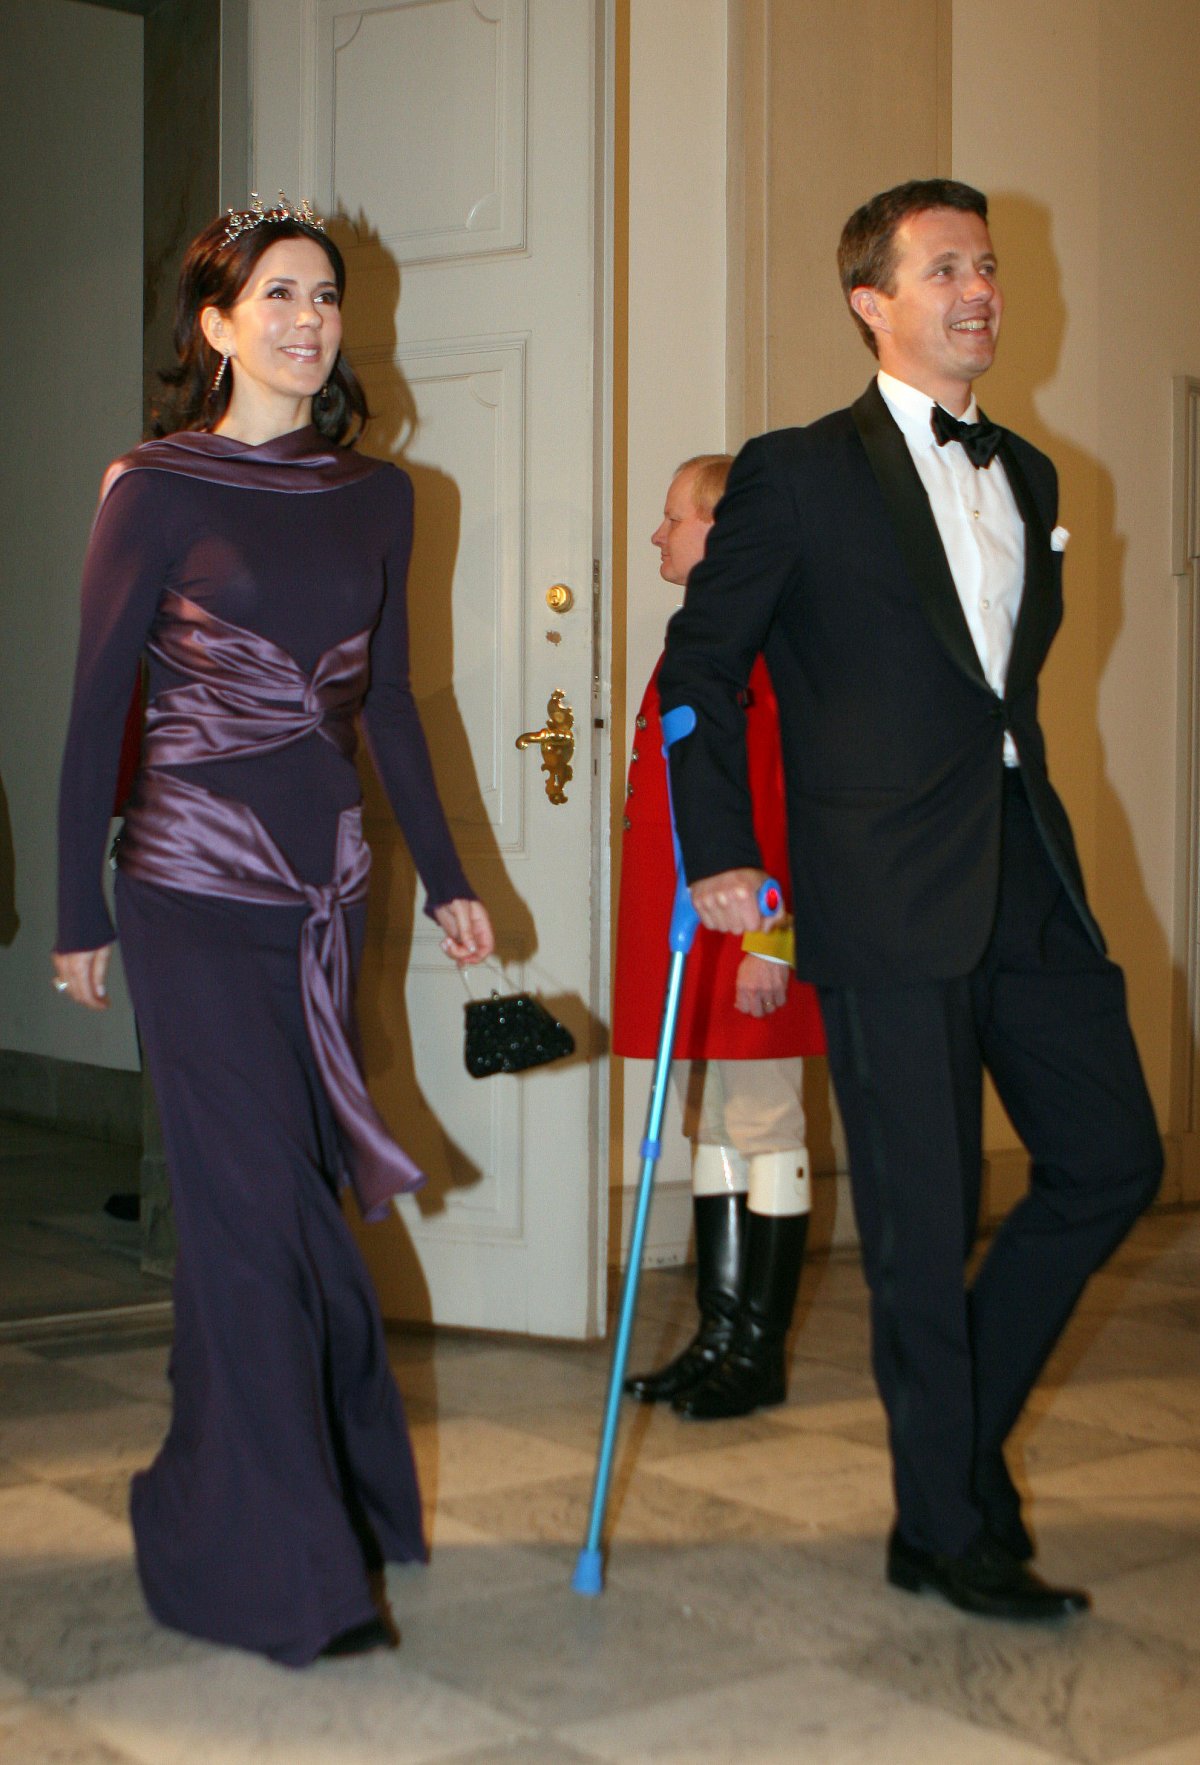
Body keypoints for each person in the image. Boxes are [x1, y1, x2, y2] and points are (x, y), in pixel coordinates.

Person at [658, 179, 1162, 1620]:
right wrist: (721, 853)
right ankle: (943, 1524)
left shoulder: (1040, 480)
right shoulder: (798, 471)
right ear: (871, 300)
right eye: (945, 268)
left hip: (1029, 868)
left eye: (987, 265)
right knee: (925, 1225)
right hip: (882, 892)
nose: (979, 289)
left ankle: (952, 1447)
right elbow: (701, 675)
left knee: (1113, 1155)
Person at [53, 194, 494, 1666]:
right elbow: (98, 700)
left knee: (294, 1224)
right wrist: (72, 903)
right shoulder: (154, 487)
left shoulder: (383, 497)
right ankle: (283, 1572)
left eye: (327, 298)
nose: (312, 321)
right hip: (185, 894)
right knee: (257, 1227)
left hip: (326, 899)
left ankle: (232, 1495)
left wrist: (444, 875)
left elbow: (396, 711)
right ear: (218, 326)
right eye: (283, 297)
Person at [612, 455, 825, 1419]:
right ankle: (719, 1334)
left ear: (722, 529)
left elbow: (781, 800)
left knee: (765, 1126)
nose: (660, 536)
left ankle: (758, 1351)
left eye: (674, 520)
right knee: (716, 1129)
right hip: (701, 941)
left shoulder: (763, 642)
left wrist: (770, 941)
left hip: (754, 939)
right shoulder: (704, 635)